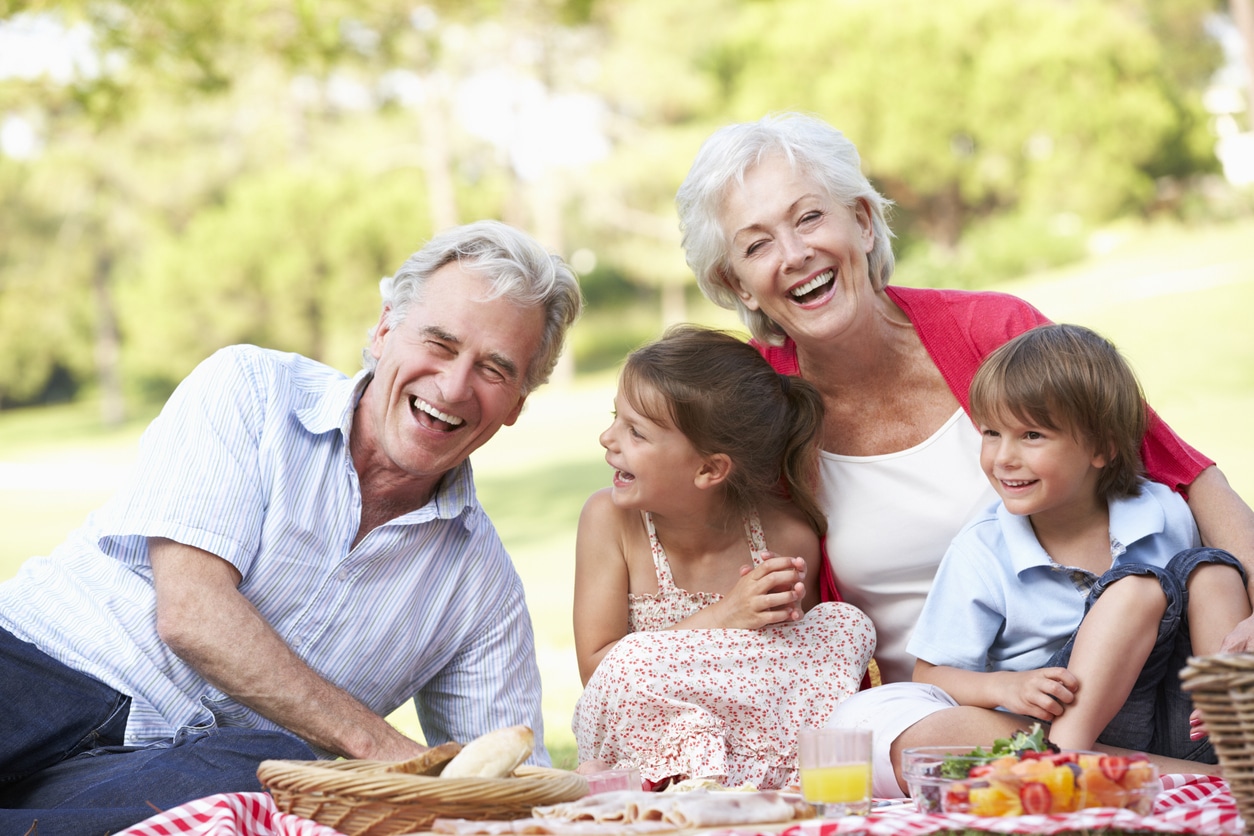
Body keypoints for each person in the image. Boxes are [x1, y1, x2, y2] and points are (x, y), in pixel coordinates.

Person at [675, 111, 1254, 796]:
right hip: (950, 705)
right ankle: (1171, 780)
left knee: (1205, 597)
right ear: (740, 284)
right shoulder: (754, 408)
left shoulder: (995, 333)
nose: (794, 253)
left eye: (808, 218)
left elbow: (1185, 473)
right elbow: (665, 513)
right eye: (756, 245)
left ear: (862, 221)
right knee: (869, 737)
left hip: (1135, 664)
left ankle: (1082, 772)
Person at [0, 220, 583, 835]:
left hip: (167, 775)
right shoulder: (251, 389)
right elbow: (192, 613)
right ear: (385, 330)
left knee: (275, 782)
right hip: (35, 673)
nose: (454, 385)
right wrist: (393, 759)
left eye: (494, 369)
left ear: (518, 402)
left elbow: (503, 795)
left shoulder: (481, 590)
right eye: (439, 344)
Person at [908, 323, 1250, 763]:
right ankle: (1061, 766)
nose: (1003, 457)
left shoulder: (1163, 510)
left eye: (1031, 435)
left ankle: (1239, 745)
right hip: (1069, 725)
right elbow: (928, 676)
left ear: (1101, 449)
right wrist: (1006, 687)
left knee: (1214, 570)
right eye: (991, 432)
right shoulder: (983, 550)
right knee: (1134, 589)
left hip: (1185, 723)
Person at [571, 325, 875, 790]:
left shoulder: (785, 537)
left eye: (635, 431)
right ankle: (685, 780)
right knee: (630, 663)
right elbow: (601, 672)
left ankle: (772, 776)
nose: (607, 437)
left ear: (709, 469)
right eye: (616, 417)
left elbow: (787, 678)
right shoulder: (609, 522)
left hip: (750, 740)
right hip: (649, 737)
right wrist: (725, 616)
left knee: (844, 625)